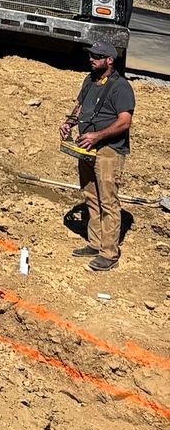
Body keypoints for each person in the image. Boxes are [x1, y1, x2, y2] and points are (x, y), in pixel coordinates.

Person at [60, 32, 135, 272]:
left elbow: (124, 122)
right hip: (86, 146)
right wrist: (69, 123)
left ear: (110, 60)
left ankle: (109, 253)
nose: (92, 59)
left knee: (108, 200)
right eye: (91, 55)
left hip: (109, 150)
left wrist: (97, 136)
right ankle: (95, 242)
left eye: (97, 56)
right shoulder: (88, 80)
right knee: (90, 195)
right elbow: (81, 106)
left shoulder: (121, 87)